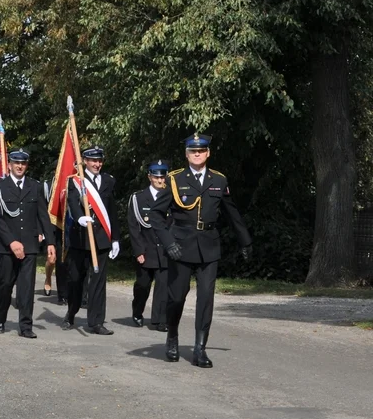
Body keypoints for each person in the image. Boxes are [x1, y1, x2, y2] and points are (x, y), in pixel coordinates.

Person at [149, 133, 252, 368]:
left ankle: (200, 348)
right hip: (180, 246)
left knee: (206, 298)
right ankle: (172, 336)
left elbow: (231, 212)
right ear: (186, 154)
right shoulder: (174, 179)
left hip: (209, 245)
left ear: (208, 153)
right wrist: (168, 242)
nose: (197, 154)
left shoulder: (219, 180)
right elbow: (155, 214)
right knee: (176, 297)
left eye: (202, 150)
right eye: (193, 151)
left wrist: (245, 241)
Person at [0, 149, 56, 338]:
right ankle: (0, 320)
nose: (20, 166)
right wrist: (11, 242)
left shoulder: (35, 186)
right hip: (7, 246)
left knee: (26, 287)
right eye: (16, 163)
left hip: (29, 244)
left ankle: (26, 326)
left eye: (24, 163)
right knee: (5, 285)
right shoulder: (0, 186)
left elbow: (43, 216)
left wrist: (50, 242)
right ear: (10, 164)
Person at [62, 147, 121, 336]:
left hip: (101, 239)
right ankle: (72, 312)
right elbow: (72, 202)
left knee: (98, 281)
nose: (97, 164)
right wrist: (79, 217)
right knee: (76, 280)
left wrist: (115, 239)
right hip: (80, 239)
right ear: (84, 161)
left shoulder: (109, 181)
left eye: (100, 161)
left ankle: (96, 322)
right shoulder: (75, 181)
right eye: (93, 161)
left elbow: (112, 212)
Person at [128, 160, 171, 331]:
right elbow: (133, 227)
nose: (160, 180)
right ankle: (137, 311)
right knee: (143, 285)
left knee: (163, 285)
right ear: (149, 177)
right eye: (156, 177)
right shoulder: (138, 198)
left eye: (162, 177)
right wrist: (139, 250)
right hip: (146, 249)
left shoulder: (171, 196)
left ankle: (159, 320)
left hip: (165, 250)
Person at [42, 179, 68, 304]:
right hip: (53, 225)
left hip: (72, 225)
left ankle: (69, 293)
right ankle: (48, 278)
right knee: (53, 259)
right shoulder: (48, 184)